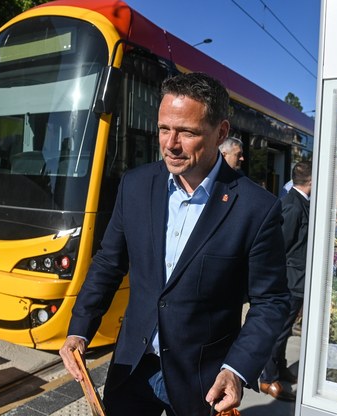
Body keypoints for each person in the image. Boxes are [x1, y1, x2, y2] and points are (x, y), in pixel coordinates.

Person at [59, 72, 290, 416]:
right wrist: (80, 329)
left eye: (187, 132)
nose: (171, 144)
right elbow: (109, 262)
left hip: (203, 381)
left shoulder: (257, 208)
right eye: (164, 129)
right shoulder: (136, 185)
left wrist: (236, 370)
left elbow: (270, 302)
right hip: (133, 368)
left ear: (221, 132)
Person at [260, 160, 312, 402]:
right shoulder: (292, 205)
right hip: (291, 280)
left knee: (286, 329)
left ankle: (279, 369)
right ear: (311, 181)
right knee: (279, 331)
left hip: (296, 279)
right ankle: (267, 379)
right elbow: (281, 245)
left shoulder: (300, 202)